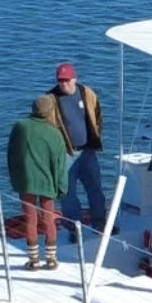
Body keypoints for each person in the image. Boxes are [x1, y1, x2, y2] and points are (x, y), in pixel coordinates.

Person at [40, 61, 107, 234]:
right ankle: (73, 228)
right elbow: (43, 127)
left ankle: (99, 223)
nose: (64, 84)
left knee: (95, 188)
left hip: (87, 151)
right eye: (60, 80)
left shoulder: (87, 93)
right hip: (65, 154)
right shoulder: (50, 99)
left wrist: (95, 138)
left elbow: (98, 116)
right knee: (67, 194)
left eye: (67, 80)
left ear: (74, 79)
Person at [7, 98, 71, 269]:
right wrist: (61, 186)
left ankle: (33, 260)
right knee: (49, 220)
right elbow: (59, 164)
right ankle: (51, 259)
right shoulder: (54, 133)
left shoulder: (20, 126)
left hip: (26, 181)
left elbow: (12, 155)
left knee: (30, 219)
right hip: (47, 182)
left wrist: (15, 178)